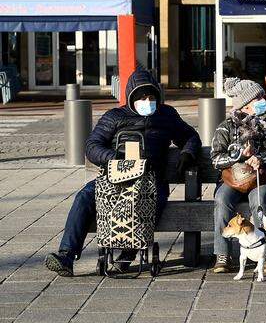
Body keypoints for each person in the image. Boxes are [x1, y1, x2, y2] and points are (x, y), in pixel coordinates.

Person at [45, 70, 201, 276]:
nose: (148, 101)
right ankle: (67, 255)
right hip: (115, 176)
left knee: (145, 202)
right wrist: (115, 158)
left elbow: (190, 136)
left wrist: (187, 153)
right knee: (84, 197)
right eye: (143, 97)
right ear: (132, 98)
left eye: (151, 97)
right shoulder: (115, 117)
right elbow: (92, 146)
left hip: (151, 180)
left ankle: (127, 253)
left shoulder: (166, 115)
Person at [210, 78, 266, 274]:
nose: (263, 100)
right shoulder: (225, 127)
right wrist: (236, 156)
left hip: (263, 178)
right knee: (221, 199)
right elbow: (215, 159)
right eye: (258, 98)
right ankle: (223, 254)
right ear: (245, 105)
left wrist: (261, 158)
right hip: (233, 180)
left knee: (259, 200)